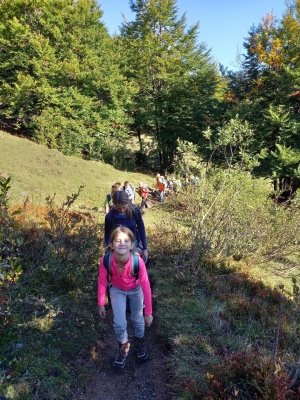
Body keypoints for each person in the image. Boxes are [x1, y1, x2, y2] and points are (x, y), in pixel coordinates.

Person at [98, 226, 153, 369]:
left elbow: (146, 286)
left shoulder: (138, 261)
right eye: (117, 240)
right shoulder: (106, 260)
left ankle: (140, 344)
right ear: (111, 244)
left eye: (126, 240)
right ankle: (123, 347)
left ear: (132, 244)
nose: (122, 243)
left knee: (137, 318)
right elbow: (102, 281)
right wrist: (101, 303)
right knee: (119, 323)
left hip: (136, 290)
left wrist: (148, 313)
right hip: (117, 290)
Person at [104, 191, 148, 261]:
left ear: (128, 202)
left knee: (135, 263)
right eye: (118, 208)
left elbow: (141, 229)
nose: (122, 210)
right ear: (114, 205)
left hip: (134, 244)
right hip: (118, 245)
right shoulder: (110, 217)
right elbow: (107, 235)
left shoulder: (135, 211)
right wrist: (108, 249)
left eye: (124, 207)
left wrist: (145, 248)